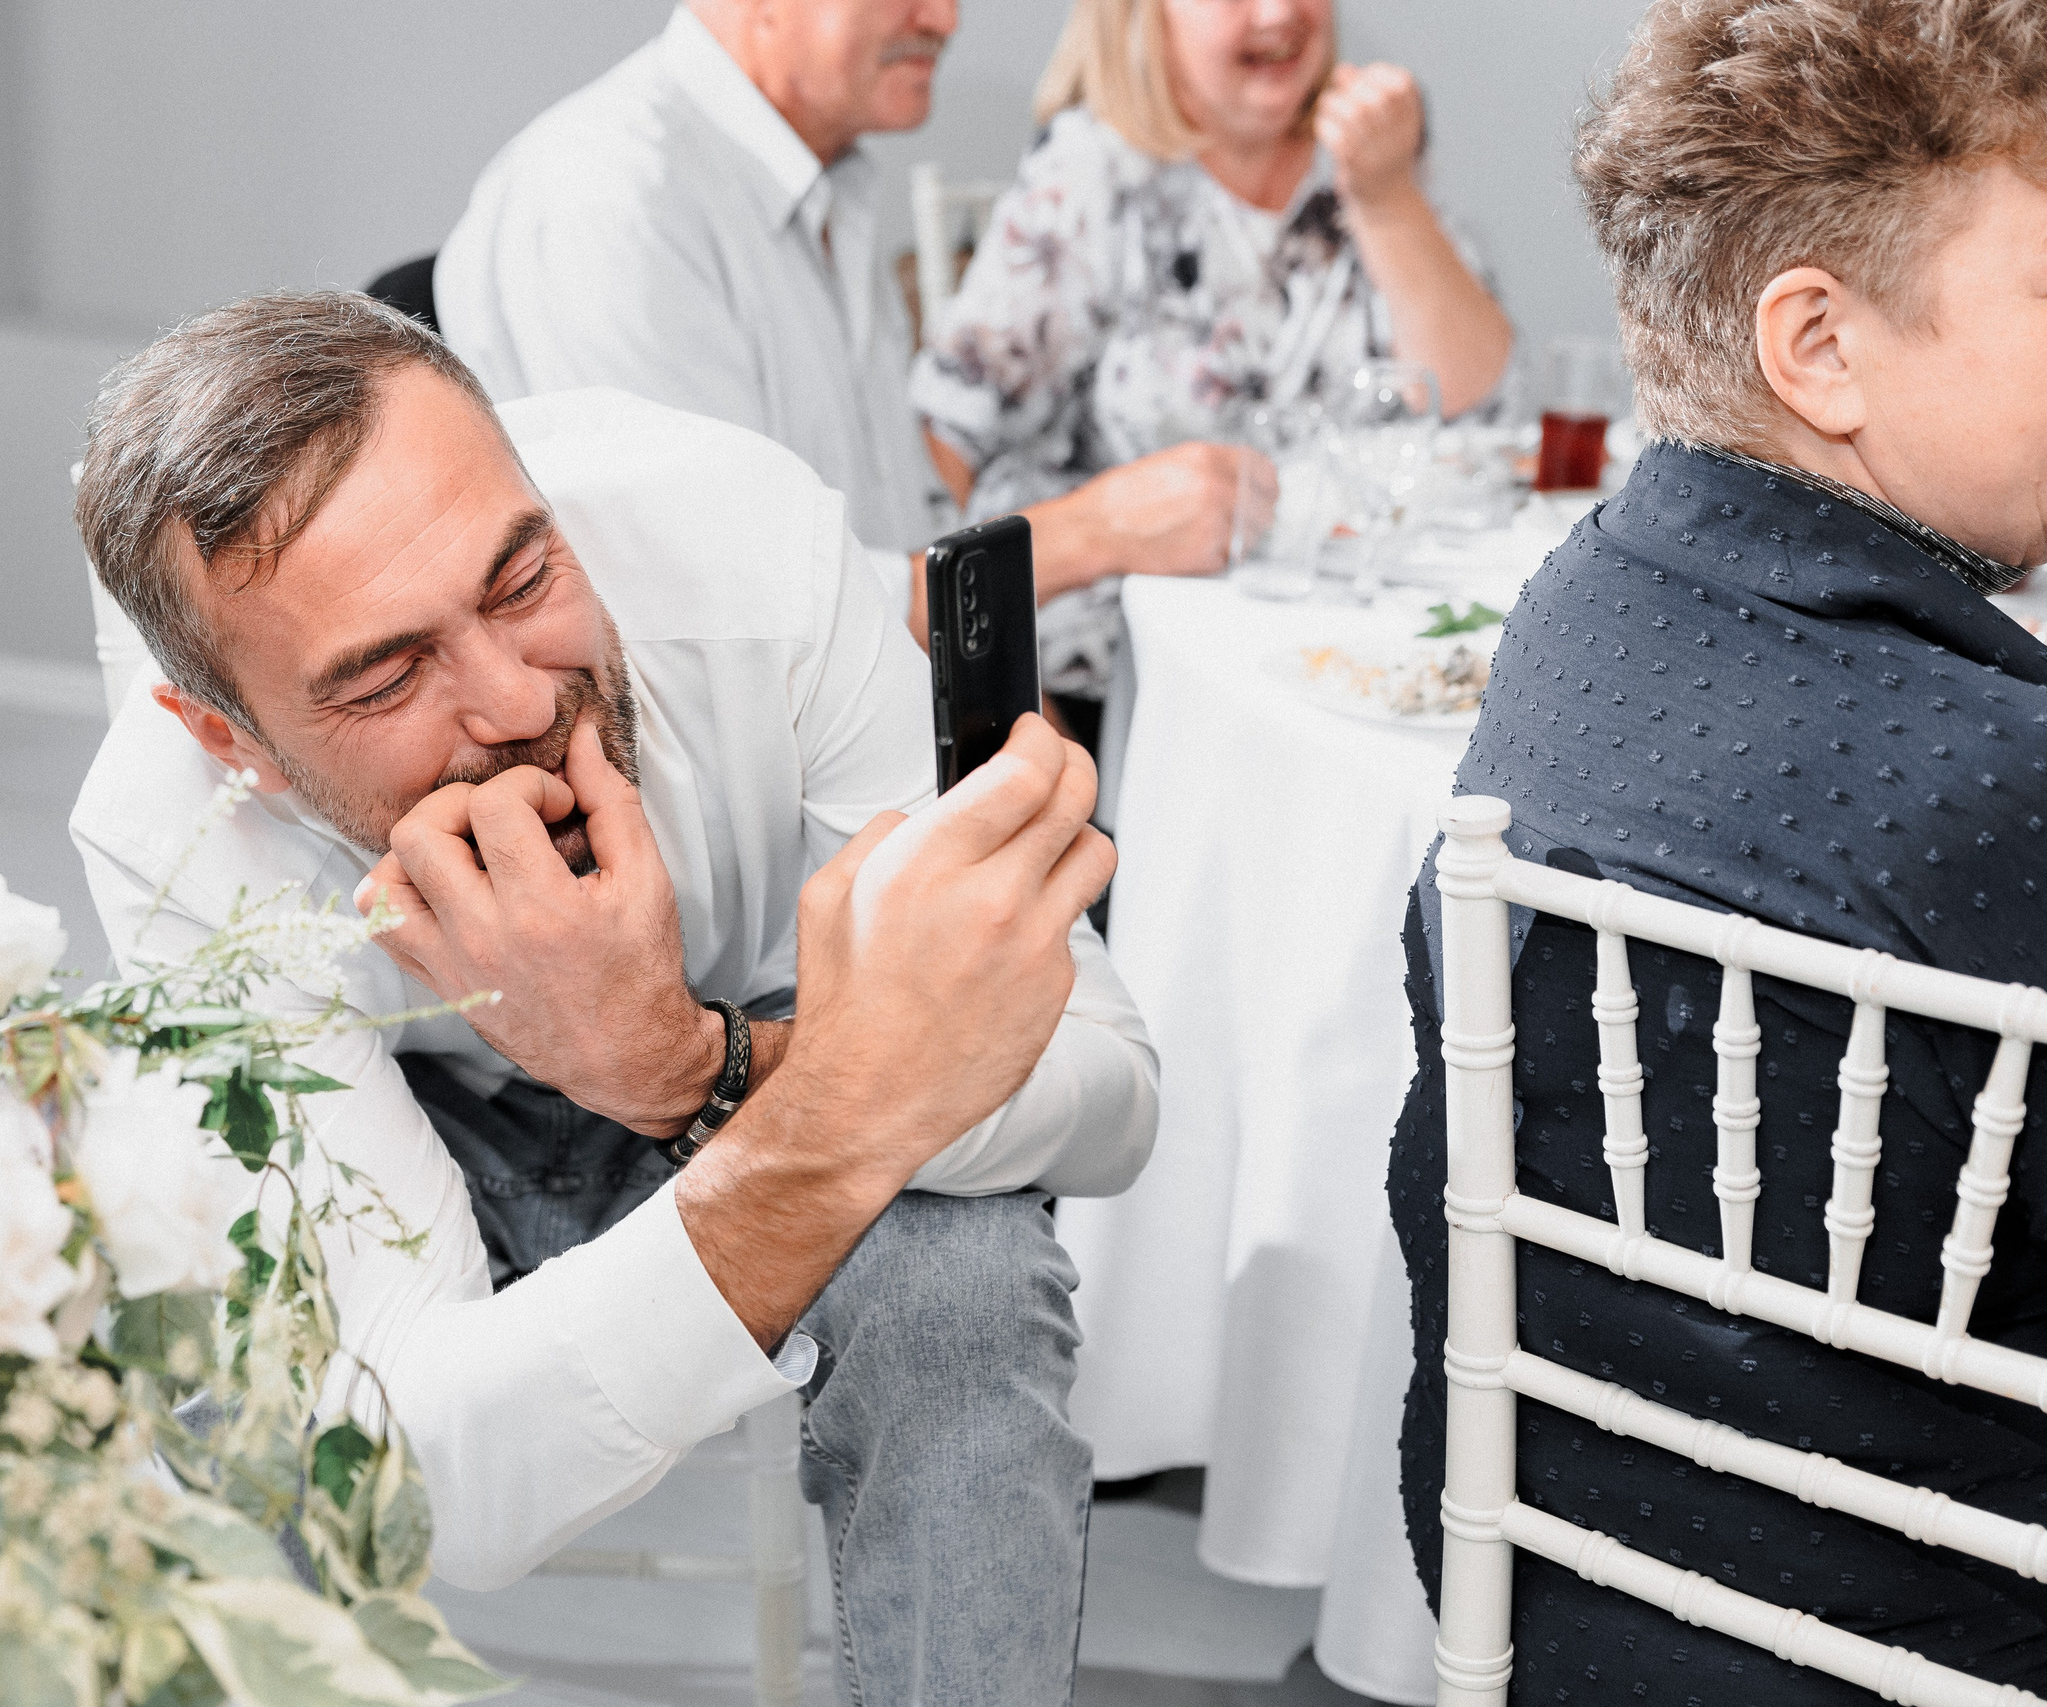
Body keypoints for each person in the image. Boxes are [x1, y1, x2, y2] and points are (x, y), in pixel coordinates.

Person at [69, 291, 1159, 1706]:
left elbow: (1113, 1094)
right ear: (234, 738)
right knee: (222, 1359)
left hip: (754, 1027)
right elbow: (437, 1487)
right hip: (420, 1129)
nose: (517, 700)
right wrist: (801, 1101)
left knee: (961, 1279)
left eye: (522, 581)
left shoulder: (745, 549)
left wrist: (683, 1063)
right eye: (389, 672)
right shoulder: (174, 830)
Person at [1387, 1, 2047, 1700]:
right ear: (1817, 343)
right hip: (1942, 1632)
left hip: (1581, 1594)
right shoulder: (1998, 774)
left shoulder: (1581, 608)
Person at [433, 0, 1276, 667]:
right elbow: (733, 621)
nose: (944, 19)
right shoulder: (612, 205)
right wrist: (1092, 533)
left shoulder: (825, 185)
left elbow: (890, 532)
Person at [910, 0, 1512, 730]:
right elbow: (944, 450)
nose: (1278, 13)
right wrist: (997, 696)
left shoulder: (1364, 156)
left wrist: (1387, 199)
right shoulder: (1093, 173)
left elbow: (1479, 408)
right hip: (1130, 686)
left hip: (1348, 656)